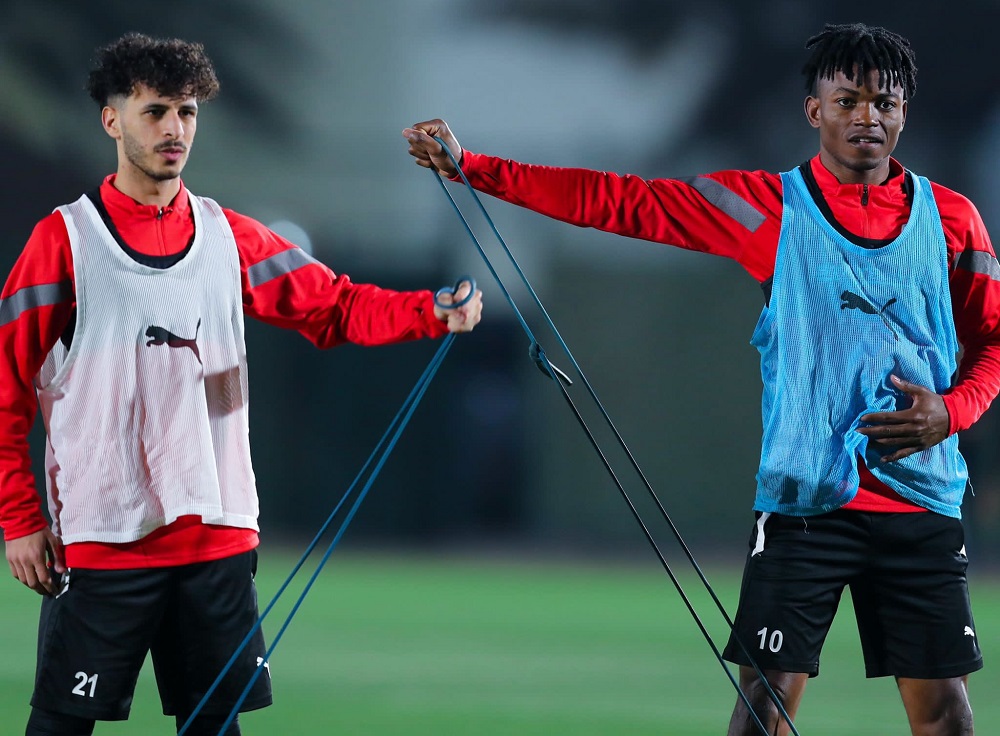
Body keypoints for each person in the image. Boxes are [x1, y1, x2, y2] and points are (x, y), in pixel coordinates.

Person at [403, 22, 1000, 736]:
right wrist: (477, 168)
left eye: (885, 102)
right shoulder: (767, 206)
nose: (867, 117)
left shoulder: (954, 220)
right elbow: (616, 201)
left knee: (944, 717)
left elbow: (992, 343)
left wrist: (952, 413)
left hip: (921, 503)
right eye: (848, 101)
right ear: (815, 112)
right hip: (806, 504)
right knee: (763, 706)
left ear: (905, 112)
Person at [0, 32, 482, 736]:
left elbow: (335, 305)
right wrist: (18, 520)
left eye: (188, 113)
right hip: (106, 540)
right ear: (112, 119)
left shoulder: (230, 237)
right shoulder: (63, 240)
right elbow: (7, 389)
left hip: (217, 545)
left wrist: (428, 312)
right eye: (156, 111)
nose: (174, 130)